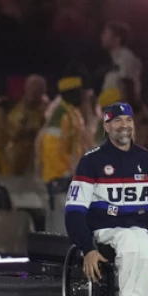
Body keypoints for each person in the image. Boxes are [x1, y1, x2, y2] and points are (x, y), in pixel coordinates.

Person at [65, 103, 148, 296]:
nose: (124, 126)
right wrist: (87, 248)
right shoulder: (91, 161)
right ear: (106, 126)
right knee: (130, 241)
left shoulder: (146, 160)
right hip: (105, 229)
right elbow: (74, 211)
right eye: (117, 121)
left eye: (128, 120)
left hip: (138, 228)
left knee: (143, 243)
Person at [39, 75, 89, 235]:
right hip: (60, 178)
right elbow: (52, 150)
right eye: (79, 92)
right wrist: (66, 174)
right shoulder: (60, 115)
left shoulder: (71, 112)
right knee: (60, 228)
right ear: (70, 94)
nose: (83, 96)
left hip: (69, 178)